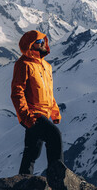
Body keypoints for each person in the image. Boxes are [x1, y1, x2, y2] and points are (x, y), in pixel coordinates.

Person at [11, 30, 63, 175]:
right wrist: (26, 116)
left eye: (43, 42)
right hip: (32, 114)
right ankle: (57, 178)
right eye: (39, 43)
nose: (43, 45)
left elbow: (48, 92)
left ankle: (23, 180)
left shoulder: (46, 66)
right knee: (54, 136)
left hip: (43, 114)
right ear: (31, 45)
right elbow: (17, 93)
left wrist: (55, 112)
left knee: (32, 150)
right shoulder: (23, 64)